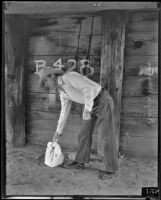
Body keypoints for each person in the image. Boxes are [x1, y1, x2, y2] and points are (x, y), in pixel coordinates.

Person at [37, 64, 118, 179]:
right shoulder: (62, 92)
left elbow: (89, 89)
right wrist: (58, 132)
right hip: (91, 105)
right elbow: (64, 112)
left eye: (45, 81)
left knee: (107, 135)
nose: (46, 85)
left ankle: (111, 170)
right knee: (84, 134)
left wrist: (87, 110)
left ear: (53, 77)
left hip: (103, 101)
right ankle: (80, 162)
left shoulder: (68, 77)